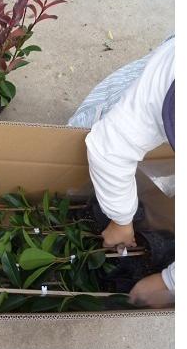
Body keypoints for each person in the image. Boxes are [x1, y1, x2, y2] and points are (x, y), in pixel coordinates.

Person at [69, 37, 175, 308]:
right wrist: (122, 220)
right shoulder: (170, 72)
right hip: (153, 86)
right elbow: (110, 146)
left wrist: (170, 282)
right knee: (97, 120)